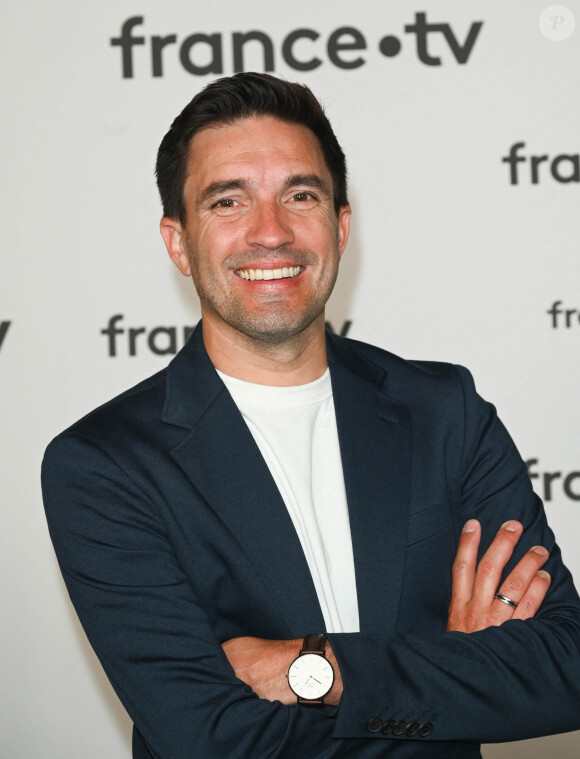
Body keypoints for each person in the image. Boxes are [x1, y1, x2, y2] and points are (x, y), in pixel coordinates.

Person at [42, 73, 580, 759]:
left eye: (300, 195)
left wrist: (316, 667)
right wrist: (452, 677)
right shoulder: (104, 464)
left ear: (340, 225)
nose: (271, 232)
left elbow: (564, 665)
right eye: (228, 200)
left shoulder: (447, 413)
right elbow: (213, 741)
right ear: (177, 243)